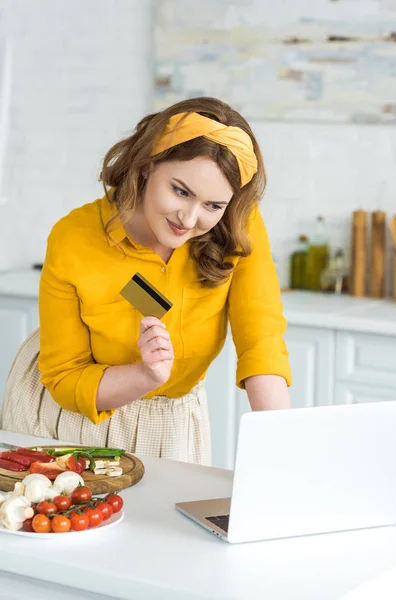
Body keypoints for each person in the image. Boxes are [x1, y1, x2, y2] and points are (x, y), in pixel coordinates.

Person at [0, 97, 291, 466]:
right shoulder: (75, 237)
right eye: (180, 191)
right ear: (147, 165)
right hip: (68, 419)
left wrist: (283, 447)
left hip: (173, 420)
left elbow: (261, 340)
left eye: (212, 206)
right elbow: (65, 378)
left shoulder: (238, 224)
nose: (189, 218)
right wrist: (144, 375)